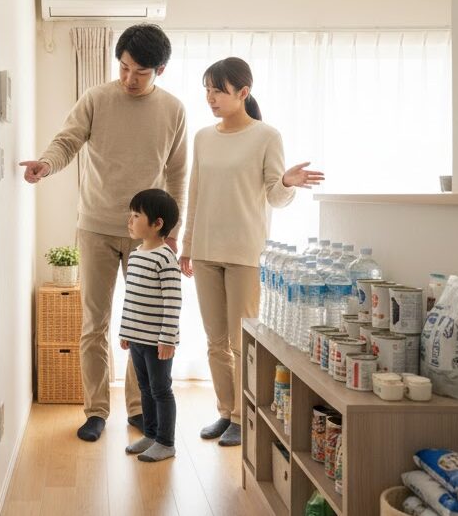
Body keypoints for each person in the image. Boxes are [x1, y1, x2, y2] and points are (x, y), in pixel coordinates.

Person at [20, 24, 188, 442]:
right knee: (95, 323)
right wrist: (46, 164)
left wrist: (172, 230)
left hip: (148, 236)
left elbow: (178, 171)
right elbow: (67, 142)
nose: (129, 78)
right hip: (95, 227)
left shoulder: (174, 110)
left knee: (144, 326)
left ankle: (138, 407)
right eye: (124, 67)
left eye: (140, 72)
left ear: (160, 70)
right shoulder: (96, 98)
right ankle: (96, 409)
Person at [180, 57, 323, 447]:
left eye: (218, 91)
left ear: (243, 93)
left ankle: (245, 416)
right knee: (214, 340)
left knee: (240, 341)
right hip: (206, 250)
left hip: (245, 252)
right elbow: (195, 194)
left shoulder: (266, 136)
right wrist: (188, 246)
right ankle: (225, 412)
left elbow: (275, 196)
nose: (210, 98)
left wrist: (288, 182)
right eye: (207, 89)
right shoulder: (203, 138)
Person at [118, 189, 182, 462]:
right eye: (130, 215)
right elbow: (130, 298)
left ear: (157, 224)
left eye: (136, 216)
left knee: (160, 390)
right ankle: (151, 434)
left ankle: (166, 442)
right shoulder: (135, 255)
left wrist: (167, 339)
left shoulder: (166, 258)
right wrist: (125, 333)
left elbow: (173, 302)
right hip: (137, 339)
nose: (130, 221)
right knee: (144, 388)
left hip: (158, 342)